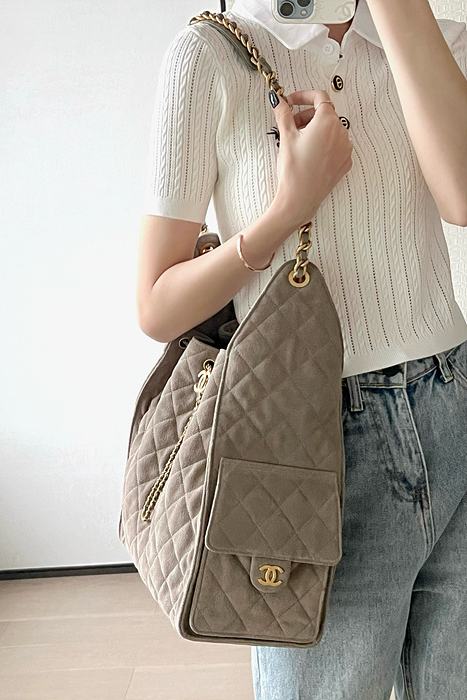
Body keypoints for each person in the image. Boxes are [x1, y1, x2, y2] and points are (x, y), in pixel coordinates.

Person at [137, 0, 467, 696]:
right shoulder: (211, 56)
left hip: (454, 406)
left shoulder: (433, 39)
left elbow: (462, 196)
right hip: (309, 439)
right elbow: (157, 304)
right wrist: (287, 211)